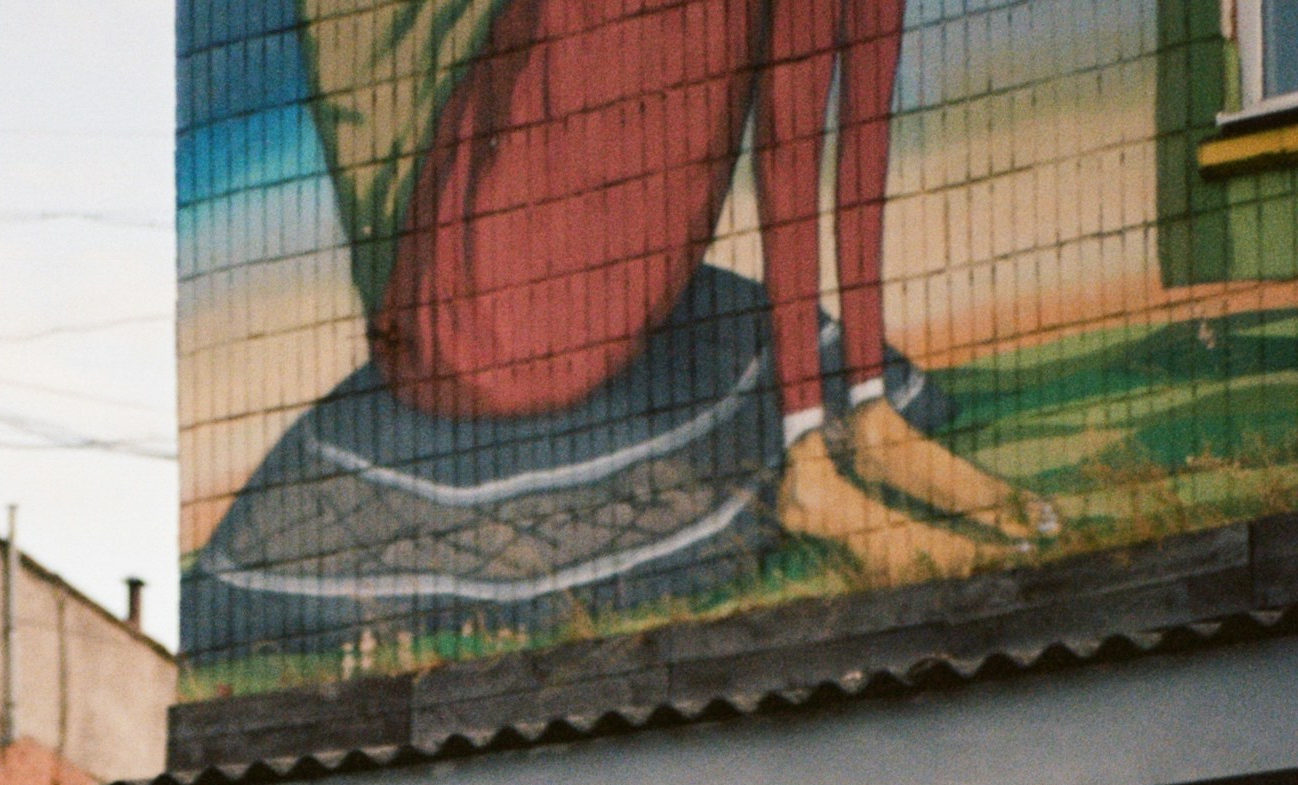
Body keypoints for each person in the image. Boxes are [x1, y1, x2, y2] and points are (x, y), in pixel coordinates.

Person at [301, 0, 1033, 581]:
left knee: (854, 54)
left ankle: (872, 418)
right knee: (792, 83)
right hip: (506, 294)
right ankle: (808, 457)